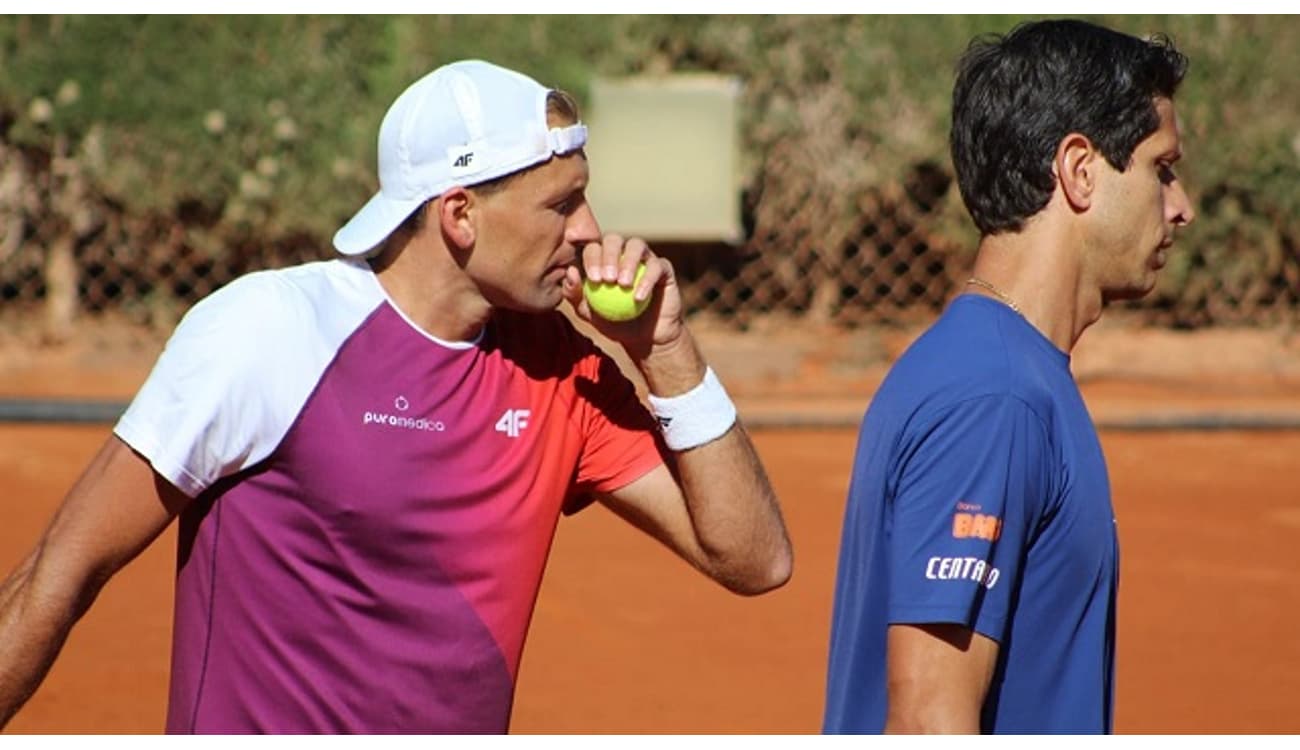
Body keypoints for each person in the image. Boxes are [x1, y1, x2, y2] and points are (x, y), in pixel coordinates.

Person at [0, 59, 792, 734]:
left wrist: (668, 353)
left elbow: (755, 561)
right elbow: (57, 576)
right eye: (560, 204)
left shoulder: (561, 370)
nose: (589, 230)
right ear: (460, 215)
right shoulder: (272, 332)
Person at [822, 19, 1194, 734]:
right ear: (1080, 170)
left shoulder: (1001, 372)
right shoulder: (995, 398)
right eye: (1162, 169)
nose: (1181, 206)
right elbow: (930, 723)